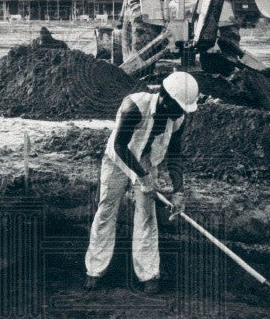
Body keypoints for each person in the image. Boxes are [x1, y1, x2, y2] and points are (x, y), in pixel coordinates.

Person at [84, 71, 199, 294]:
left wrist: (178, 191)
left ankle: (148, 273)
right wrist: (143, 177)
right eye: (178, 107)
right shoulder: (134, 107)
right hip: (118, 160)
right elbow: (119, 146)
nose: (180, 113)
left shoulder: (178, 118)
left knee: (146, 215)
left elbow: (175, 155)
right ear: (164, 97)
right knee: (106, 210)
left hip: (146, 162)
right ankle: (95, 270)